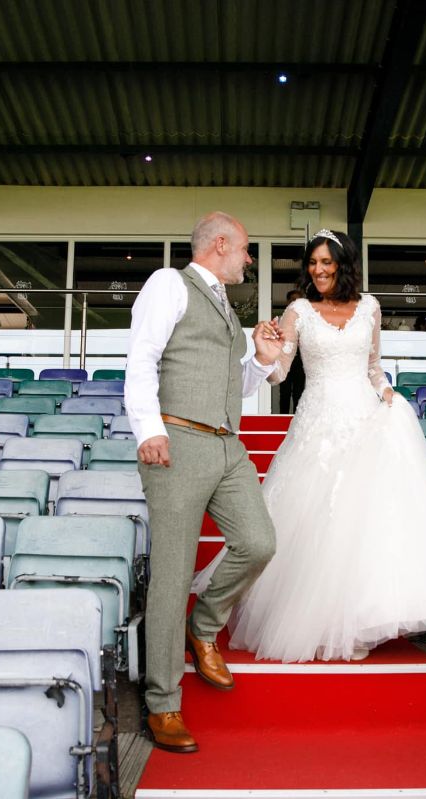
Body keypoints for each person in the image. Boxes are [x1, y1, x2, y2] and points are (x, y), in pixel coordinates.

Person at [216, 229, 426, 663]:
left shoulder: (369, 307)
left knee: (361, 524)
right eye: (312, 263)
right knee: (318, 520)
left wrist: (387, 391)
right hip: (317, 421)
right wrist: (266, 353)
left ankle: (357, 621)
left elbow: (373, 367)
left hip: (363, 420)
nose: (318, 270)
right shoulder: (298, 310)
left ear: (343, 263)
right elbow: (281, 374)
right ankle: (312, 621)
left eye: (326, 262)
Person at [124, 211, 281, 753]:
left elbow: (231, 385)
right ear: (221, 244)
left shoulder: (223, 306)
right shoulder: (170, 283)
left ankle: (205, 625)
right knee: (170, 576)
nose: (249, 259)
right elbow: (141, 358)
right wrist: (148, 428)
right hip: (178, 440)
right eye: (245, 250)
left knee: (260, 541)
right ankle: (163, 702)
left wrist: (259, 361)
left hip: (224, 444)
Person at [277, 289, 307, 413]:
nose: (295, 302)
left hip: (301, 359)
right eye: (292, 299)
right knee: (284, 390)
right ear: (288, 301)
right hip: (284, 359)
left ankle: (295, 418)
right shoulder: (281, 319)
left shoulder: (306, 321)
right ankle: (282, 418)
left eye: (298, 300)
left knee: (299, 391)